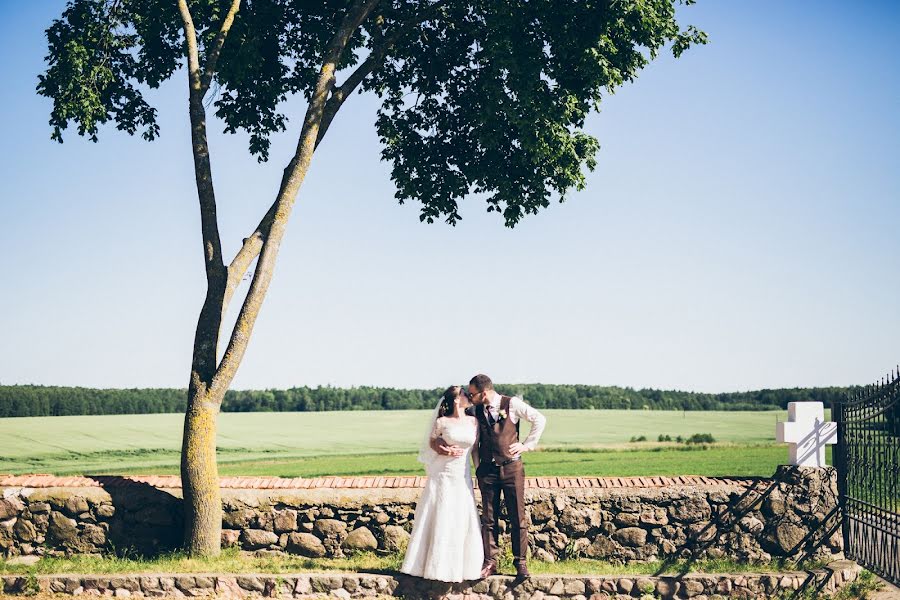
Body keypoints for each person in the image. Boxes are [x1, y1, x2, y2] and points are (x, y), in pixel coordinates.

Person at [466, 374, 547, 579]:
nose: (470, 397)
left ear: (483, 393)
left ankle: (520, 563)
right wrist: (478, 468)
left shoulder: (511, 404)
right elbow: (475, 443)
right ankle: (490, 562)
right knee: (489, 519)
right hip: (488, 472)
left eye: (472, 394)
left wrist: (526, 445)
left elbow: (539, 419)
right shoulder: (475, 410)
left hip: (512, 469)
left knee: (517, 517)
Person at [399, 385, 484, 582]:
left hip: (463, 476)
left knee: (462, 517)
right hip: (444, 474)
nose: (468, 396)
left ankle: (462, 567)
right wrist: (443, 449)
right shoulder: (442, 422)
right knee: (442, 515)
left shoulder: (473, 422)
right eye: (464, 394)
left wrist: (479, 471)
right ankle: (433, 566)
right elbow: (431, 442)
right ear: (456, 399)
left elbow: (475, 450)